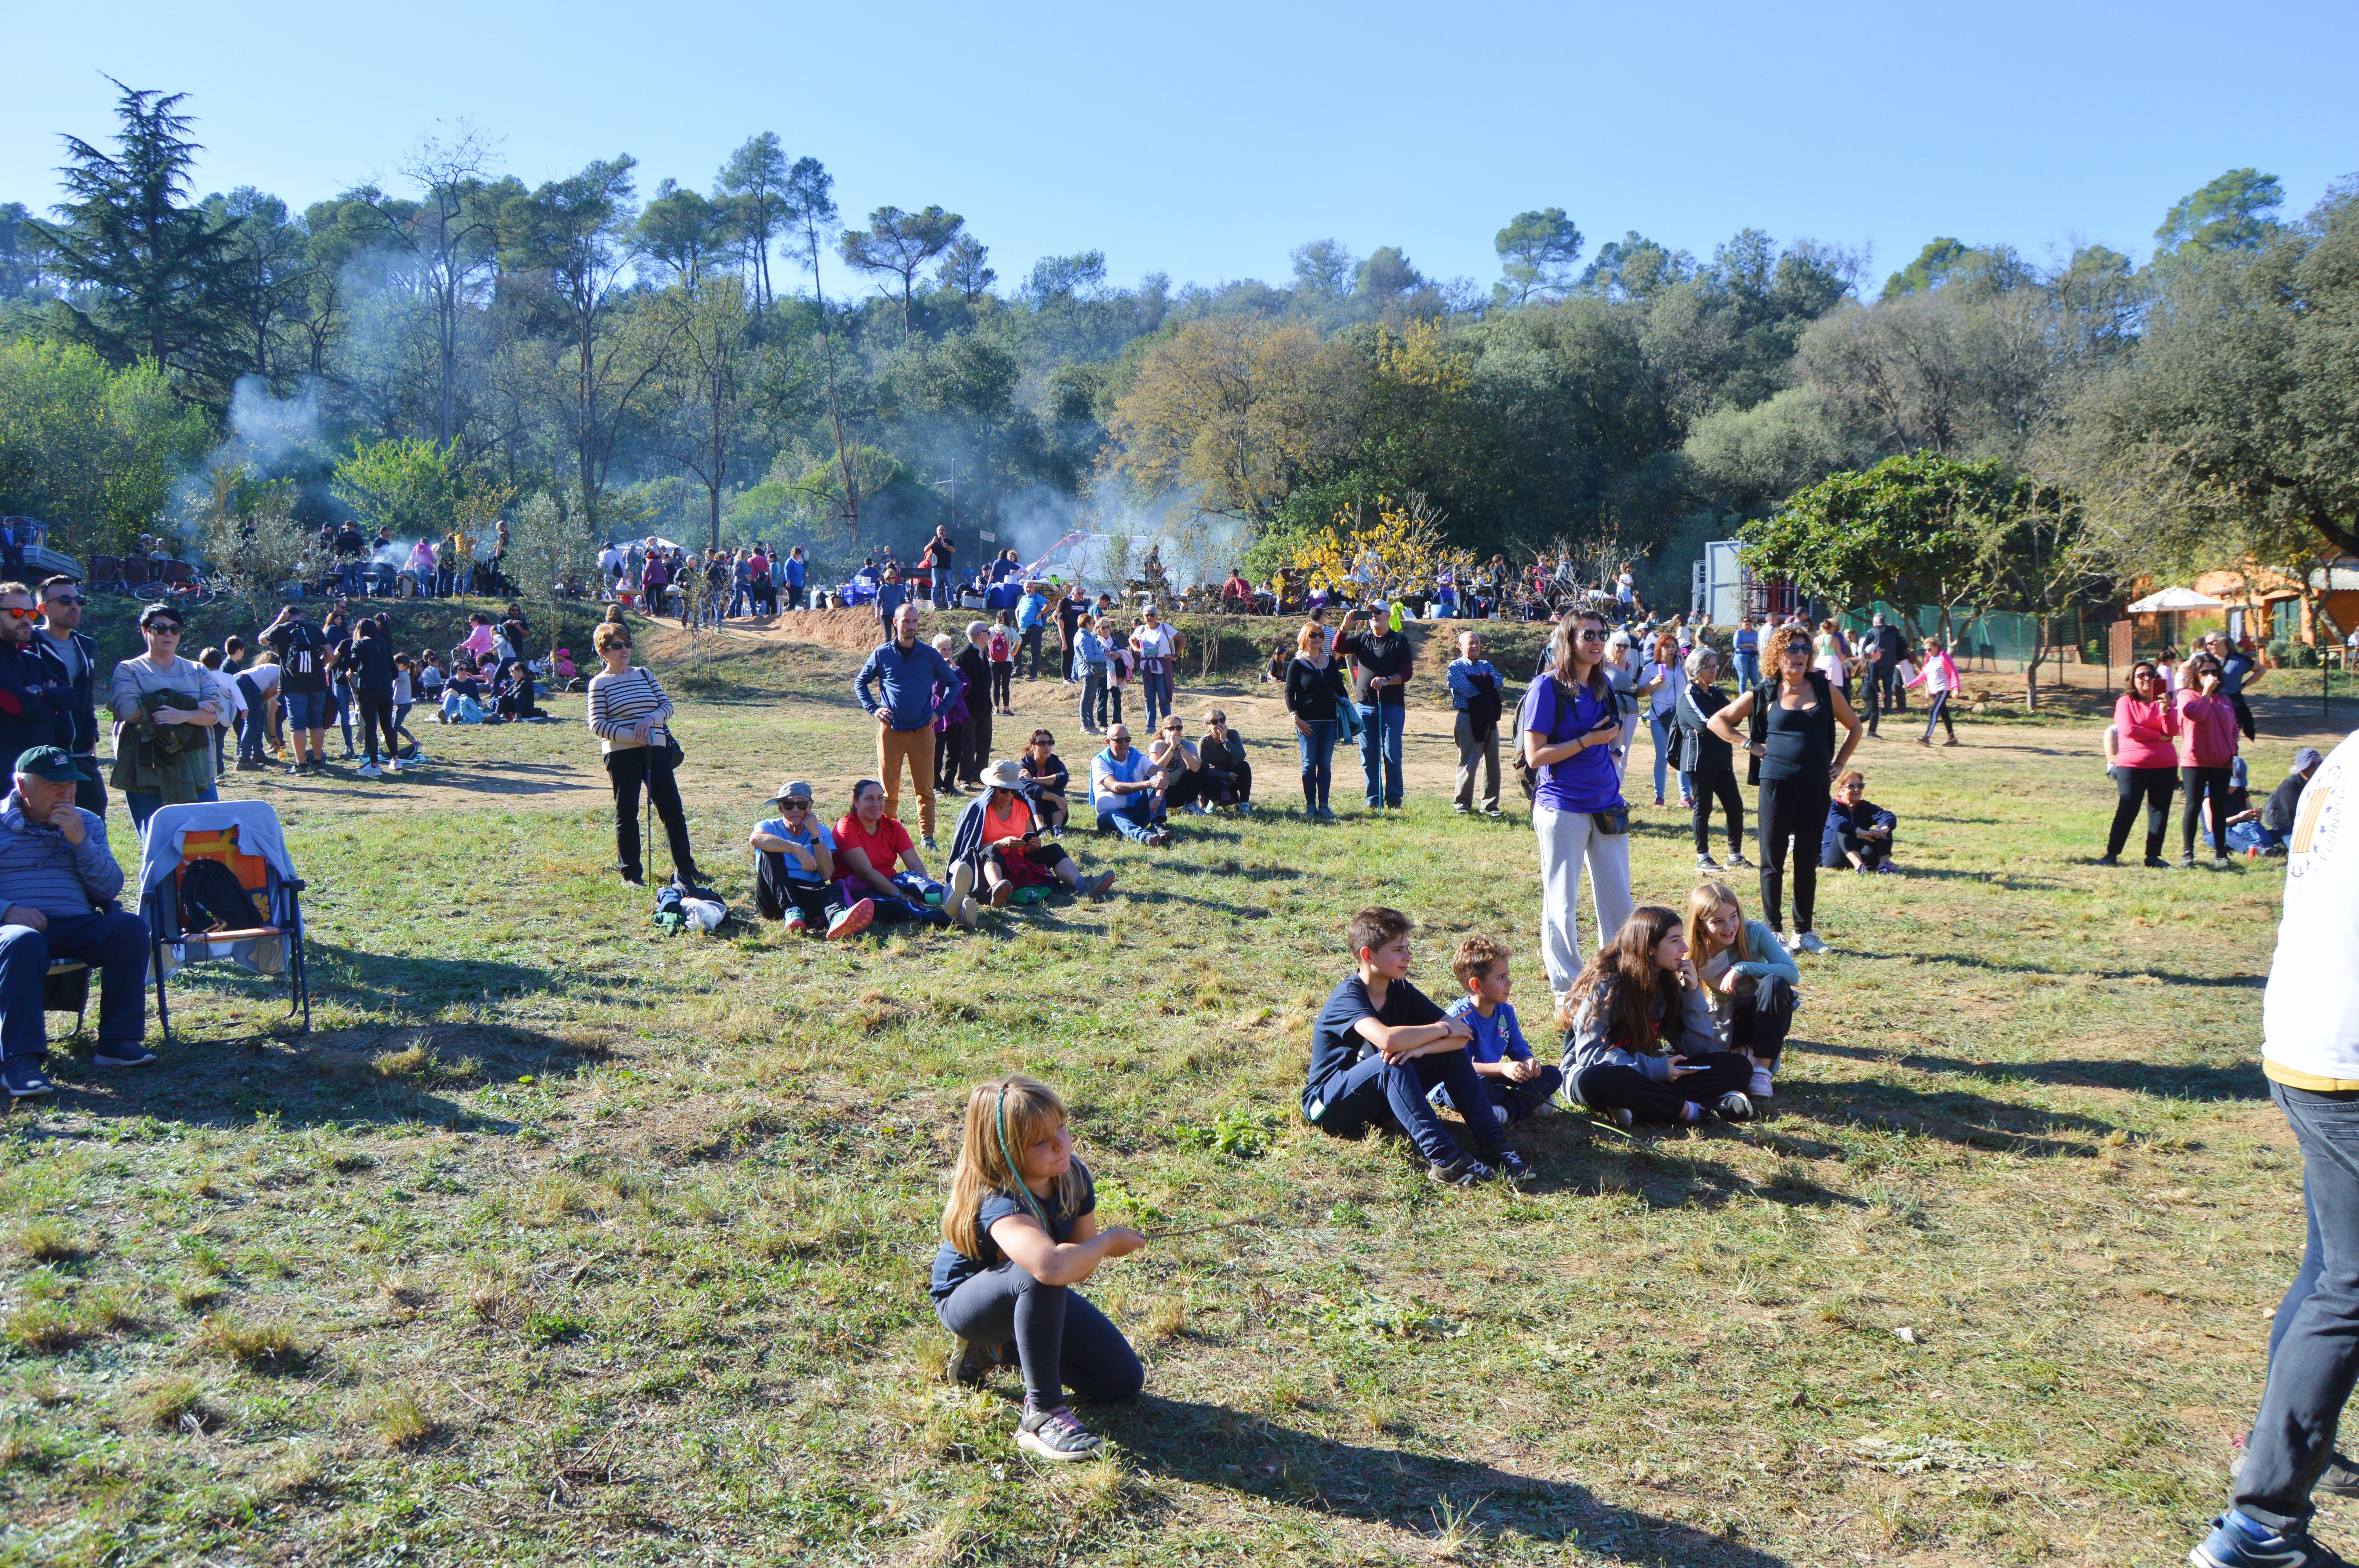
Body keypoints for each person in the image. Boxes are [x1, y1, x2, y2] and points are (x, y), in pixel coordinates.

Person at [2188, 726, 2359, 1568]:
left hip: (2307, 1037)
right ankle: (2259, 1520)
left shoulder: (2346, 751)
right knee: (2350, 1287)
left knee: (2331, 1266)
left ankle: (2281, 1458)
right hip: (2345, 1056)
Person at [931, 1074, 1147, 1461]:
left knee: (1121, 1381)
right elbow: (1049, 1267)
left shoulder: (1072, 1177)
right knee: (1037, 1268)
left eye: (1060, 1127)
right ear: (1003, 1152)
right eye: (1040, 1141)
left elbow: (1076, 1267)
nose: (1060, 1143)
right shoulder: (1000, 1200)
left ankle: (993, 1353)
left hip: (1034, 1292)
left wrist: (1088, 1252)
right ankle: (1042, 1412)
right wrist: (1107, 1243)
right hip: (969, 1305)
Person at [1301, 907, 1527, 1186]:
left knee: (1448, 1055)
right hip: (1328, 1107)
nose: (1408, 957)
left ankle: (1496, 1145)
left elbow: (1461, 1036)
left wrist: (1422, 1049)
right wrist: (1440, 1029)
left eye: (1407, 948)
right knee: (1391, 1061)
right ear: (1368, 955)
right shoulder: (1347, 997)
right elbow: (1388, 1040)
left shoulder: (1401, 989)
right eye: (1398, 950)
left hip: (1378, 1105)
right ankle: (1446, 1161)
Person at [0, 748, 156, 1096]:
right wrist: (8, 910)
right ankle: (18, 1061)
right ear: (23, 788)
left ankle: (117, 1043)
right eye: (54, 786)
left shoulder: (86, 822)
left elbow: (110, 887)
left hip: (76, 923)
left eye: (70, 785)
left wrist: (81, 843)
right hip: (14, 929)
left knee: (129, 928)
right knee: (23, 941)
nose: (66, 793)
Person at [1705, 620, 1862, 954]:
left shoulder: (1823, 688)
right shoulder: (1764, 691)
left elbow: (1854, 726)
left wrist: (1840, 762)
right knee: (1772, 860)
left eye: (1806, 649)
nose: (1800, 655)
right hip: (1776, 784)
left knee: (1807, 860)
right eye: (1793, 649)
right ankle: (1774, 930)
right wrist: (1749, 745)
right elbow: (1717, 721)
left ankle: (1803, 932)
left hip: (1815, 785)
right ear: (1778, 655)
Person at [1521, 610, 1635, 1004]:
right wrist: (1587, 741)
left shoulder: (1603, 686)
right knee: (1562, 902)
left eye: (1601, 634)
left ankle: (1619, 982)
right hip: (1561, 807)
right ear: (1568, 639)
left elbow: (1614, 736)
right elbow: (1535, 756)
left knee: (1619, 901)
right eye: (1588, 634)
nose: (1597, 641)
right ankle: (1566, 993)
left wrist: (1614, 758)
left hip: (1606, 805)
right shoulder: (1546, 688)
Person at [1559, 905, 1755, 1128]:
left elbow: (1695, 1050)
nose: (1685, 948)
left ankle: (1638, 1106)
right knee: (1602, 1081)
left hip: (1646, 1074)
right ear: (1650, 948)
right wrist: (1656, 1069)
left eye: (1682, 939)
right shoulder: (1606, 983)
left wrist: (1692, 994)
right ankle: (1695, 1111)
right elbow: (1589, 1055)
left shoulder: (1664, 982)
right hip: (1593, 1074)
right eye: (1675, 941)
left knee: (1737, 1067)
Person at [585, 622, 701, 889]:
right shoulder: (599, 683)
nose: (624, 650)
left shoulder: (644, 674)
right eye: (617, 646)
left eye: (627, 644)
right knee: (627, 813)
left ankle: (686, 869)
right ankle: (632, 874)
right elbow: (597, 725)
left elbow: (666, 706)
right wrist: (632, 735)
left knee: (672, 809)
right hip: (621, 754)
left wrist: (651, 719)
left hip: (656, 749)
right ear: (603, 651)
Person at [854, 603, 965, 852]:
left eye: (915, 622)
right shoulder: (882, 654)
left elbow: (954, 684)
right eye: (907, 621)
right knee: (888, 790)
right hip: (891, 731)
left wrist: (940, 712)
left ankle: (927, 837)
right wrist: (874, 709)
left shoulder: (929, 655)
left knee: (925, 788)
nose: (912, 626)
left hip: (923, 732)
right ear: (896, 623)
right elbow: (860, 683)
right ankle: (888, 834)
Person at [108, 604, 220, 835]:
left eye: (175, 628)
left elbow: (216, 713)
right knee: (157, 841)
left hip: (197, 767)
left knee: (207, 838)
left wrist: (182, 715)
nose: (168, 634)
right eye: (160, 628)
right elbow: (129, 711)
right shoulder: (129, 670)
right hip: (147, 770)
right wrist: (194, 706)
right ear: (145, 631)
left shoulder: (197, 669)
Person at [949, 759, 1116, 911]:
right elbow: (971, 851)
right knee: (992, 852)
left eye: (1014, 791)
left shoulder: (1021, 806)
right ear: (992, 788)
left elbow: (1028, 843)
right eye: (1004, 790)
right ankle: (997, 891)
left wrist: (1033, 844)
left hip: (1021, 861)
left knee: (1055, 850)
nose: (1009, 796)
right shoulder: (978, 810)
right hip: (991, 864)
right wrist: (1000, 844)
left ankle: (1083, 884)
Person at [1685, 882, 1800, 1101]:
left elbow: (1792, 974)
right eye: (1718, 921)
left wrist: (1744, 968)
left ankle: (1762, 1071)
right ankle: (1740, 1062)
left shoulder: (1754, 932)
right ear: (1700, 926)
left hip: (1764, 1015)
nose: (1729, 927)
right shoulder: (1693, 952)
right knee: (1726, 1073)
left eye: (1733, 916)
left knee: (1775, 983)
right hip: (1726, 1020)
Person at [1434, 933, 1563, 1125]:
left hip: (1493, 1077)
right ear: (1476, 985)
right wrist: (1503, 1069)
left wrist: (1529, 1063)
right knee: (1476, 1088)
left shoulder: (1506, 1012)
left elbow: (1518, 1048)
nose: (1509, 983)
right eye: (1501, 978)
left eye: (1508, 976)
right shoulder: (1458, 1019)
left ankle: (1506, 1111)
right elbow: (1459, 1068)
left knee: (1552, 1074)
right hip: (1455, 1083)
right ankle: (1529, 1103)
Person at [832, 778, 954, 931]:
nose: (876, 804)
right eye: (869, 799)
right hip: (858, 889)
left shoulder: (893, 826)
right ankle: (953, 918)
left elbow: (915, 864)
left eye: (880, 798)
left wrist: (917, 892)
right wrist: (900, 894)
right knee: (903, 907)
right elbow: (866, 872)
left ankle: (946, 896)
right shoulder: (846, 828)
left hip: (889, 881)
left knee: (911, 878)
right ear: (856, 802)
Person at [749, 780, 863, 938]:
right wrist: (797, 848)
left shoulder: (821, 831)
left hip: (808, 891)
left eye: (801, 804)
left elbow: (826, 874)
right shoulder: (769, 826)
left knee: (833, 889)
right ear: (780, 808)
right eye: (789, 805)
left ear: (810, 806)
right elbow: (756, 839)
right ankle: (792, 911)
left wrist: (816, 836)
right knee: (770, 849)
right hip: (774, 896)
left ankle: (838, 920)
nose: (795, 810)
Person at [32, 578, 102, 816]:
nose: (74, 606)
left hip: (82, 751)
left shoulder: (87, 645)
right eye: (64, 600)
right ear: (43, 609)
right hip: (44, 751)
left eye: (78, 600)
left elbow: (88, 695)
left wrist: (92, 732)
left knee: (93, 814)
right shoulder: (28, 644)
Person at [2100, 662, 2180, 868]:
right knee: (2128, 807)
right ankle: (2112, 853)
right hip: (2133, 765)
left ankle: (2153, 856)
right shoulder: (2126, 702)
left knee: (2159, 810)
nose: (2146, 679)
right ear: (2133, 681)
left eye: (2151, 675)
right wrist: (2158, 736)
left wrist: (2166, 710)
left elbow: (2172, 731)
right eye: (2141, 675)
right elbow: (2128, 729)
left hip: (2165, 764)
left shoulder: (2164, 702)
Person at [1676, 644, 1748, 873]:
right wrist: (1718, 722)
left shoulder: (1715, 693)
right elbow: (1705, 726)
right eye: (1708, 666)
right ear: (1696, 669)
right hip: (1700, 761)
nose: (1714, 670)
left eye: (1715, 665)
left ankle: (1734, 855)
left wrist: (1720, 722)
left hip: (1722, 759)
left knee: (1735, 806)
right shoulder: (1688, 696)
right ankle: (1703, 857)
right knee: (1703, 808)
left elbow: (1734, 718)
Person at [1339, 603, 1412, 810]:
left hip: (1392, 707)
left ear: (1388, 616)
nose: (1374, 615)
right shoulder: (1362, 639)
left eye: (1378, 612)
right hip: (1365, 706)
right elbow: (1338, 648)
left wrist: (1387, 680)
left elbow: (1407, 673)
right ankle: (1374, 799)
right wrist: (1345, 627)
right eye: (1371, 612)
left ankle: (1394, 799)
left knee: (1392, 753)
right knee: (1369, 754)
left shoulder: (1399, 641)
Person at [0, 582, 67, 786]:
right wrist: (51, 707)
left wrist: (38, 693)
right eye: (17, 613)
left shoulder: (30, 657)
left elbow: (72, 698)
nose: (25, 620)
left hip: (37, 768)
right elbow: (17, 704)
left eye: (30, 614)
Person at [2177, 654, 2240, 869]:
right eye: (2205, 672)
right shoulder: (2187, 695)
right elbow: (2196, 715)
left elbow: (2234, 728)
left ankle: (2221, 854)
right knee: (2193, 806)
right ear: (2196, 675)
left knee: (2219, 807)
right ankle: (2188, 853)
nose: (2210, 676)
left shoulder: (2225, 701)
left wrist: (2232, 749)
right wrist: (2205, 694)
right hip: (2195, 760)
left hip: (2221, 762)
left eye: (2214, 672)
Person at [1283, 621, 1348, 821]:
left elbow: (1341, 690)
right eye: (1313, 635)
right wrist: (1295, 716)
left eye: (1320, 635)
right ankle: (1310, 806)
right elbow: (1288, 693)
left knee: (1325, 765)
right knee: (1309, 764)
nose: (1318, 638)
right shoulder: (1297, 663)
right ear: (1305, 638)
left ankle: (1325, 806)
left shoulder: (1330, 661)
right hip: (1307, 723)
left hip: (1329, 721)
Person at [262, 604, 331, 777]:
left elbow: (262, 640)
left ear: (286, 615)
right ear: (301, 615)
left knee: (297, 723)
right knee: (316, 722)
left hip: (294, 684)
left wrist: (278, 621)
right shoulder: (314, 629)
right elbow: (330, 655)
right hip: (317, 683)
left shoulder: (282, 629)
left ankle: (300, 765)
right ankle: (317, 761)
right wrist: (318, 668)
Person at [1445, 628, 1503, 817]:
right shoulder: (1455, 667)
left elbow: (1500, 682)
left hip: (1490, 718)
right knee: (1469, 762)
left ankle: (1490, 805)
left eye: (1477, 643)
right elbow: (1466, 690)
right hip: (1468, 717)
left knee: (1493, 762)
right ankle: (1462, 803)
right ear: (1460, 646)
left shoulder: (1486, 664)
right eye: (1471, 643)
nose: (1475, 646)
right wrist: (1486, 683)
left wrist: (1480, 681)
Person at [1089, 724, 1170, 847]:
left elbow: (1161, 772)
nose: (1124, 744)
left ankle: (1157, 826)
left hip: (1136, 812)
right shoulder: (1100, 762)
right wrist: (1149, 784)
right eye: (1119, 741)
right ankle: (1144, 836)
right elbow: (1116, 787)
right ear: (1108, 742)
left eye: (1127, 740)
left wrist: (1159, 795)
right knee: (1112, 813)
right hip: (1110, 819)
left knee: (1156, 778)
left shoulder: (1136, 757)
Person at [345, 618, 400, 778]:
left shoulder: (360, 644)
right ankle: (396, 759)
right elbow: (395, 672)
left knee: (371, 727)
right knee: (387, 726)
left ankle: (374, 765)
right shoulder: (383, 645)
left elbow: (354, 665)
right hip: (386, 689)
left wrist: (350, 669)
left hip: (368, 689)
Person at [1642, 630, 1687, 809]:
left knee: (1683, 756)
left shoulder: (1681, 667)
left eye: (1674, 646)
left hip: (1681, 717)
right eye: (1667, 646)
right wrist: (1653, 684)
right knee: (1662, 757)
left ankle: (1685, 797)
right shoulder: (1651, 668)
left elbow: (1693, 683)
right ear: (1659, 649)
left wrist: (1683, 663)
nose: (1671, 649)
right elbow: (1639, 692)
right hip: (1659, 717)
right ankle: (1659, 797)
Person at [1820, 769, 1898, 873]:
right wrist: (1860, 832)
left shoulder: (1865, 807)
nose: (1857, 790)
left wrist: (1884, 829)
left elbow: (1887, 816)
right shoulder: (1831, 807)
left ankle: (1885, 865)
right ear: (1840, 790)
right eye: (1851, 786)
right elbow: (1839, 823)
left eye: (1860, 786)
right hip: (1836, 858)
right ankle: (1860, 868)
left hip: (1862, 853)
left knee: (1885, 828)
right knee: (1845, 829)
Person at [2256, 748, 2323, 857]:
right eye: (2313, 765)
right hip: (2287, 825)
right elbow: (2294, 816)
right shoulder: (2289, 787)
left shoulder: (2320, 783)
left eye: (2321, 763)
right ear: (2302, 770)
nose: (2318, 767)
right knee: (2302, 848)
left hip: (2310, 823)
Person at [930, 633, 972, 800]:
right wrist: (953, 679)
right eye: (943, 650)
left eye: (949, 649)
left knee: (955, 751)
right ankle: (935, 785)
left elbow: (966, 684)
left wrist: (955, 669)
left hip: (957, 714)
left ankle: (949, 784)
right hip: (940, 716)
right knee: (937, 751)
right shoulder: (932, 669)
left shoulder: (954, 669)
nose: (948, 653)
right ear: (936, 652)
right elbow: (938, 690)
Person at [954, 622, 992, 788]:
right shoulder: (963, 656)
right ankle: (965, 778)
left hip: (984, 707)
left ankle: (981, 775)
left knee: (985, 742)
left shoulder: (983, 653)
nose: (990, 635)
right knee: (968, 743)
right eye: (988, 632)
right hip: (969, 707)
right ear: (980, 635)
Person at [1906, 635, 1961, 746]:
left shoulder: (1944, 657)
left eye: (1930, 649)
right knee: (1944, 714)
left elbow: (1953, 672)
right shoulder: (1929, 659)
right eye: (1926, 649)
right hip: (1934, 690)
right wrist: (1912, 684)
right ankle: (1953, 739)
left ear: (1937, 647)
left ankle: (1927, 737)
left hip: (1943, 689)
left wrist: (1956, 688)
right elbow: (1923, 675)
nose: (1927, 651)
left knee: (1933, 711)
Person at [1130, 605, 1178, 732]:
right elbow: (1132, 640)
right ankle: (1150, 726)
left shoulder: (1164, 628)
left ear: (1157, 616)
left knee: (1164, 698)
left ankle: (1168, 727)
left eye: (1152, 615)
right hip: (1147, 668)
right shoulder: (1141, 629)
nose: (1150, 617)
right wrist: (1136, 649)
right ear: (1144, 617)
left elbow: (1182, 639)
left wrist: (1175, 656)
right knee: (1149, 697)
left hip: (1162, 667)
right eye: (1147, 615)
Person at [2211, 630, 2263, 742]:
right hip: (2212, 705)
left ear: (2222, 641)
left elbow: (2262, 670)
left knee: (2232, 740)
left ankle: (2233, 759)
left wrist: (2245, 685)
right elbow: (2183, 669)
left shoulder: (2239, 659)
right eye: (2207, 644)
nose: (2208, 646)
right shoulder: (2207, 660)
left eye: (2211, 643)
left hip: (2233, 705)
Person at [1196, 710, 1252, 810]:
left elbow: (1241, 758)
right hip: (1217, 777)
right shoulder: (1205, 741)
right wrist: (1227, 776)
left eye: (1222, 720)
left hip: (1234, 774)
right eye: (1215, 722)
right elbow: (1203, 769)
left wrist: (1225, 740)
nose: (1219, 724)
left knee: (1245, 767)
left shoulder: (1233, 734)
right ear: (1208, 726)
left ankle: (1244, 805)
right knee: (1203, 775)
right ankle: (1214, 801)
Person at [1018, 729, 1072, 829]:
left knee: (1058, 788)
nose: (1047, 747)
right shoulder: (1024, 765)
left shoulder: (1055, 762)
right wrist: (1056, 798)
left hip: (1054, 813)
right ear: (1032, 747)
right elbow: (1027, 788)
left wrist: (1035, 779)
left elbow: (1063, 779)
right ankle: (1041, 829)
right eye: (1042, 743)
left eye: (1050, 743)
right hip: (1031, 817)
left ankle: (1057, 828)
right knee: (1033, 795)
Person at [1074, 615, 1110, 735]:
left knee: (1091, 699)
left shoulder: (1087, 636)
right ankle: (1085, 726)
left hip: (1092, 671)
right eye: (1092, 623)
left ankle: (1091, 725)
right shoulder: (1083, 638)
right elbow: (1088, 657)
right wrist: (1103, 657)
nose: (1094, 626)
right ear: (1087, 624)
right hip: (1089, 671)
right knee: (1086, 699)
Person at [1017, 581, 1050, 681]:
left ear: (1034, 588)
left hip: (1035, 627)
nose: (1029, 589)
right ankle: (1018, 673)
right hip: (1023, 629)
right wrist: (1018, 621)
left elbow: (1049, 604)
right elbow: (1017, 610)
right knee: (1017, 648)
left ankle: (1033, 675)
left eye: (1031, 587)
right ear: (1024, 589)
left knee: (1035, 651)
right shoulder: (1023, 599)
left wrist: (1040, 613)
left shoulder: (1037, 597)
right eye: (1027, 587)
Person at [988, 611, 1016, 715]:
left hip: (994, 661)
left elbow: (986, 641)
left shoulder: (991, 630)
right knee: (1005, 685)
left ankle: (996, 709)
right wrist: (1013, 652)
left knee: (995, 685)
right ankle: (1007, 709)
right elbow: (1019, 640)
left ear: (997, 620)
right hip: (1007, 660)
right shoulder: (1010, 630)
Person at [923, 526, 956, 612]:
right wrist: (933, 543)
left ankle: (951, 604)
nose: (941, 532)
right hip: (936, 567)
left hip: (947, 567)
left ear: (945, 531)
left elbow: (953, 550)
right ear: (937, 531)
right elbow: (926, 550)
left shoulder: (949, 541)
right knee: (935, 586)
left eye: (943, 530)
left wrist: (945, 545)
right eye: (939, 530)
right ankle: (935, 604)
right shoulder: (934, 541)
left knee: (949, 586)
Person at [1732, 615, 1760, 688]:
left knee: (1755, 679)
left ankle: (1756, 697)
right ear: (1742, 623)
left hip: (1753, 656)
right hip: (1742, 657)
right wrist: (1748, 644)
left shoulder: (1755, 633)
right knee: (1743, 678)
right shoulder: (1739, 632)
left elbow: (1758, 644)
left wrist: (1756, 646)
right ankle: (1743, 697)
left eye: (1749, 621)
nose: (1748, 623)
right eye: (1745, 622)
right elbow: (1737, 645)